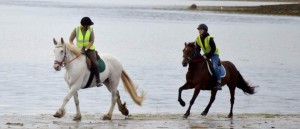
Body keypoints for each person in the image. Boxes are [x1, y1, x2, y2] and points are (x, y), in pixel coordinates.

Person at [69, 17, 102, 87]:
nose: (89, 26)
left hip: (89, 49)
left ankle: (98, 80)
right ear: (85, 25)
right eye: (88, 24)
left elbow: (92, 41)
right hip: (79, 50)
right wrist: (73, 47)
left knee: (95, 63)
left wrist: (86, 48)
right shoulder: (76, 29)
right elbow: (71, 39)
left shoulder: (90, 29)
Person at [194, 24, 222, 90]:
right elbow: (198, 49)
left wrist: (207, 56)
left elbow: (213, 49)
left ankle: (219, 82)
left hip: (214, 54)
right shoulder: (198, 38)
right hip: (206, 54)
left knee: (215, 67)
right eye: (199, 30)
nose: (199, 31)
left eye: (201, 30)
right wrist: (199, 55)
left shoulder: (209, 38)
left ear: (205, 30)